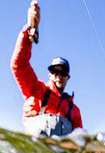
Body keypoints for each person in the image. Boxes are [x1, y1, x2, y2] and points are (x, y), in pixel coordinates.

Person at [11, 1, 83, 137]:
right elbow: (19, 65)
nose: (59, 75)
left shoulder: (75, 111)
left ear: (68, 77)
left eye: (63, 72)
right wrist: (29, 31)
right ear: (50, 75)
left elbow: (80, 140)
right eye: (55, 71)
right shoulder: (35, 90)